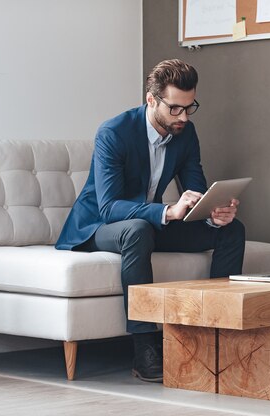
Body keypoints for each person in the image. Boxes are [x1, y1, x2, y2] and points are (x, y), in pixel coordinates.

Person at [56, 59, 245, 382]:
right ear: (151, 100)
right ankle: (144, 346)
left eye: (190, 107)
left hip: (149, 225)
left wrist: (212, 213)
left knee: (232, 230)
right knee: (138, 230)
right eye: (175, 109)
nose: (183, 116)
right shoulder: (114, 132)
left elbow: (195, 187)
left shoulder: (186, 133)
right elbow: (110, 207)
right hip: (98, 228)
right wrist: (166, 211)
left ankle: (216, 335)